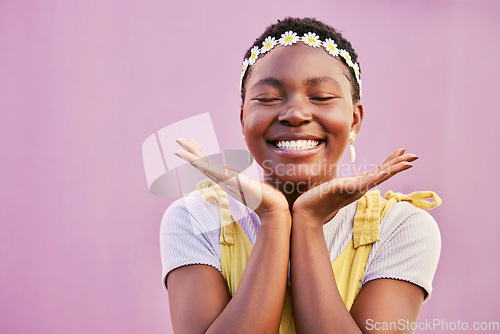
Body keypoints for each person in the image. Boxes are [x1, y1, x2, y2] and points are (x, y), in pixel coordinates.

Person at [161, 17, 441, 333]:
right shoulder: (197, 218)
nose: (295, 114)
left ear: (355, 119)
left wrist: (307, 220)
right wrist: (274, 217)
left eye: (321, 97)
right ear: (243, 120)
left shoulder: (400, 228)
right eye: (267, 98)